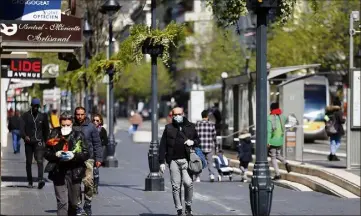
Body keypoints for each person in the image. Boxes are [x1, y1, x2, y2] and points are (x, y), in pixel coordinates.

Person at [44, 112, 90, 216]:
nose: (65, 127)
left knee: (73, 203)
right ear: (60, 123)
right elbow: (46, 152)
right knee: (62, 203)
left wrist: (74, 156)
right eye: (63, 125)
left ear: (72, 124)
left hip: (74, 172)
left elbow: (86, 153)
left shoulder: (79, 135)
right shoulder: (54, 133)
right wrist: (56, 154)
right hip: (58, 171)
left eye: (68, 125)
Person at [159, 107, 201, 216]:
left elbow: (198, 140)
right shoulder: (168, 128)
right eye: (175, 114)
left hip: (187, 160)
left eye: (179, 114)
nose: (177, 116)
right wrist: (161, 162)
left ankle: (188, 205)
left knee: (188, 183)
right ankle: (179, 209)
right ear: (172, 115)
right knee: (175, 186)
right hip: (173, 161)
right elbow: (162, 145)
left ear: (183, 114)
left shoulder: (191, 126)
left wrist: (193, 142)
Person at [73, 107, 102, 216]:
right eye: (78, 114)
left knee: (88, 182)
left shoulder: (91, 127)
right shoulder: (72, 126)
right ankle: (78, 205)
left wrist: (99, 158)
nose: (79, 116)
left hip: (88, 158)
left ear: (85, 114)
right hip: (74, 159)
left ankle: (88, 203)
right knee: (75, 184)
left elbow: (97, 143)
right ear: (75, 115)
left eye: (82, 114)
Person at [20, 98, 50, 189]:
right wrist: (25, 136)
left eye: (37, 106)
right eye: (34, 106)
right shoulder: (25, 116)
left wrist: (47, 142)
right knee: (28, 162)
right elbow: (21, 128)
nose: (36, 108)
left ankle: (40, 180)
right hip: (29, 142)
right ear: (31, 106)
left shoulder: (43, 116)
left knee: (39, 160)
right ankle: (30, 181)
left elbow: (46, 130)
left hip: (39, 142)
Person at [267, 102, 291, 180]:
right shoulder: (282, 117)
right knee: (277, 154)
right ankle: (286, 162)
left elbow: (269, 131)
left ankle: (277, 174)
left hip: (272, 140)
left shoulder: (269, 118)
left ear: (271, 109)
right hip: (280, 140)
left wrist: (268, 141)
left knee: (273, 157)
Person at [194, 110, 218, 182]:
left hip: (200, 147)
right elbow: (214, 137)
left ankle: (198, 177)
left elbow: (194, 135)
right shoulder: (211, 125)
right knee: (210, 162)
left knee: (199, 162)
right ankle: (211, 175)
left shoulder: (198, 124)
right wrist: (216, 146)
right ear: (207, 116)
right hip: (209, 147)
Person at [92, 113, 108, 194]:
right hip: (90, 152)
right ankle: (89, 186)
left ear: (100, 121)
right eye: (94, 120)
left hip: (98, 153)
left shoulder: (102, 130)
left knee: (95, 171)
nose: (95, 122)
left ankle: (95, 187)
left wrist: (99, 144)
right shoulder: (90, 129)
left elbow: (106, 142)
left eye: (97, 120)